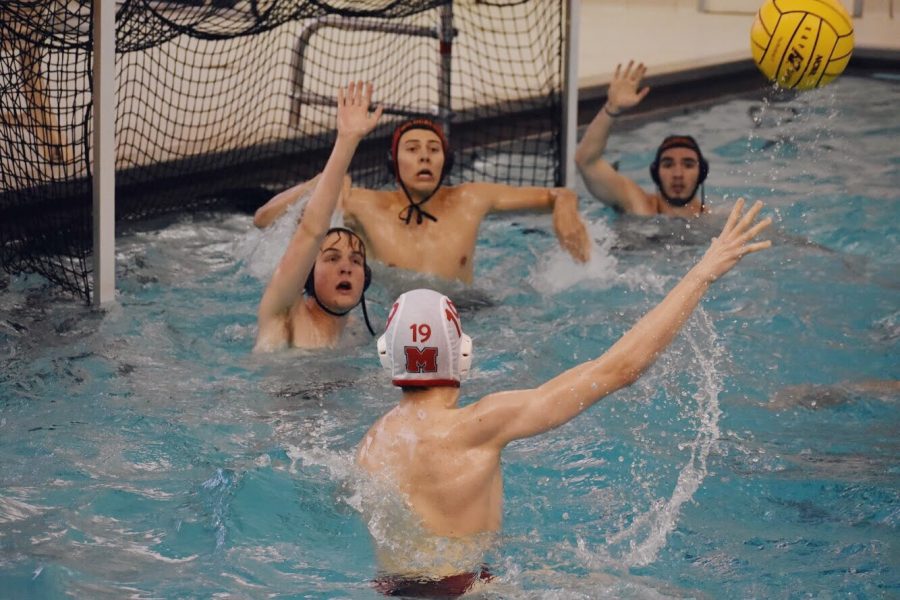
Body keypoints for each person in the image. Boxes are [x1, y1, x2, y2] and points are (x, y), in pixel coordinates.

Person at [356, 198, 771, 595]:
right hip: (466, 592)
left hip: (392, 591)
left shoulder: (373, 442)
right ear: (463, 354)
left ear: (387, 357)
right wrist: (703, 272)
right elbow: (617, 369)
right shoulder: (479, 425)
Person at [254, 118, 592, 285]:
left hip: (472, 312)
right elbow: (263, 218)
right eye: (413, 150)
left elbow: (559, 193)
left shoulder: (471, 198)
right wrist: (319, 182)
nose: (425, 158)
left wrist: (565, 209)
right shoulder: (365, 205)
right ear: (393, 162)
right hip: (396, 319)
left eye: (434, 151)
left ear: (447, 162)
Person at [253, 82, 383, 352]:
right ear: (307, 275)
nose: (346, 267)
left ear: (366, 278)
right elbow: (311, 230)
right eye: (332, 258)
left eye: (356, 261)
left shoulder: (359, 335)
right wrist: (347, 140)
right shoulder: (285, 315)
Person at [575, 60, 710, 218]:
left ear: (701, 173)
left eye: (688, 165)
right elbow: (585, 161)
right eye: (668, 164)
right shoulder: (636, 203)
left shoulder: (717, 221)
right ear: (655, 173)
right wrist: (611, 109)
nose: (678, 174)